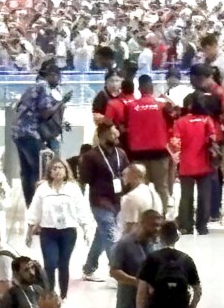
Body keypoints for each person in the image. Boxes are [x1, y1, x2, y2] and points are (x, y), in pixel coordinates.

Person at [25, 156, 89, 296]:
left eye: (60, 168)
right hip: (48, 232)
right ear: (50, 172)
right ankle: (50, 294)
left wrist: (86, 228)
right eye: (54, 168)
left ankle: (63, 296)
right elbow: (35, 209)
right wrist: (29, 231)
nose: (58, 171)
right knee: (50, 263)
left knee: (63, 264)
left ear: (66, 171)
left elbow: (81, 208)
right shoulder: (43, 188)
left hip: (68, 231)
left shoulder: (73, 188)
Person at [79, 121, 130, 277]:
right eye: (113, 133)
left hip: (118, 200)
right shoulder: (90, 156)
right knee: (110, 234)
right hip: (100, 201)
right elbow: (85, 179)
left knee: (101, 235)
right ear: (102, 135)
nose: (116, 135)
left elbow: (127, 173)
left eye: (116, 132)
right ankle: (117, 271)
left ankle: (89, 268)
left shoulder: (121, 153)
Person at [13, 59, 67, 200]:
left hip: (18, 133)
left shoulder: (32, 87)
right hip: (31, 132)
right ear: (51, 75)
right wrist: (62, 102)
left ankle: (29, 204)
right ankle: (37, 203)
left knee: (26, 171)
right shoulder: (44, 87)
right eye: (57, 77)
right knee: (39, 170)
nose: (58, 80)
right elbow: (45, 112)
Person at [169, 93, 222, 236]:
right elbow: (213, 139)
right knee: (204, 196)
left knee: (186, 197)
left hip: (186, 165)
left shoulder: (180, 122)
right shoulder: (207, 120)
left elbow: (175, 143)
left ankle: (186, 226)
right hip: (204, 164)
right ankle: (202, 226)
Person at [122, 76, 176, 212]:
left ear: (139, 89)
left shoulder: (130, 106)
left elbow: (125, 126)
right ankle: (162, 217)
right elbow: (173, 122)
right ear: (152, 89)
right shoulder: (163, 106)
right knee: (161, 187)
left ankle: (142, 218)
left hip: (138, 153)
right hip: (159, 152)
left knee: (140, 188)